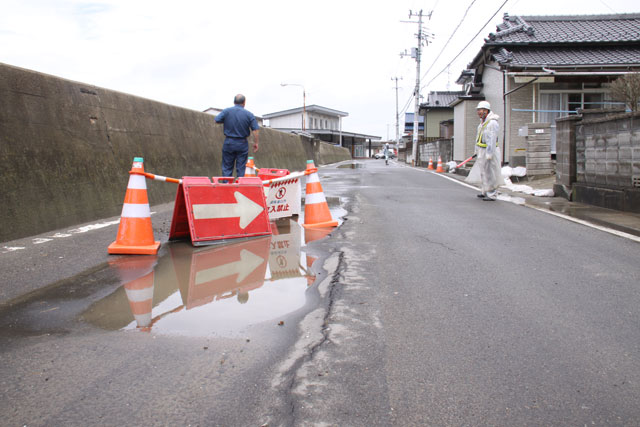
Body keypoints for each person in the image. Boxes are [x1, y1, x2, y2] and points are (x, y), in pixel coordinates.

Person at [215, 94, 260, 177]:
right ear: (244, 103)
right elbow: (255, 130)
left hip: (229, 142)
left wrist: (227, 120)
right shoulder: (249, 114)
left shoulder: (227, 111)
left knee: (227, 167)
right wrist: (256, 143)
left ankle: (226, 186)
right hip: (242, 143)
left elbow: (217, 120)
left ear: (234, 102)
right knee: (241, 168)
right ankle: (240, 186)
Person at [465, 101, 502, 201]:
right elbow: (478, 137)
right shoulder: (482, 123)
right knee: (483, 172)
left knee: (490, 173)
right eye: (478, 110)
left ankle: (492, 194)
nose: (479, 112)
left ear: (486, 110)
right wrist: (476, 150)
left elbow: (492, 139)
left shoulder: (492, 123)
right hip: (482, 150)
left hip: (490, 151)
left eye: (480, 110)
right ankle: (484, 191)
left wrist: (490, 154)